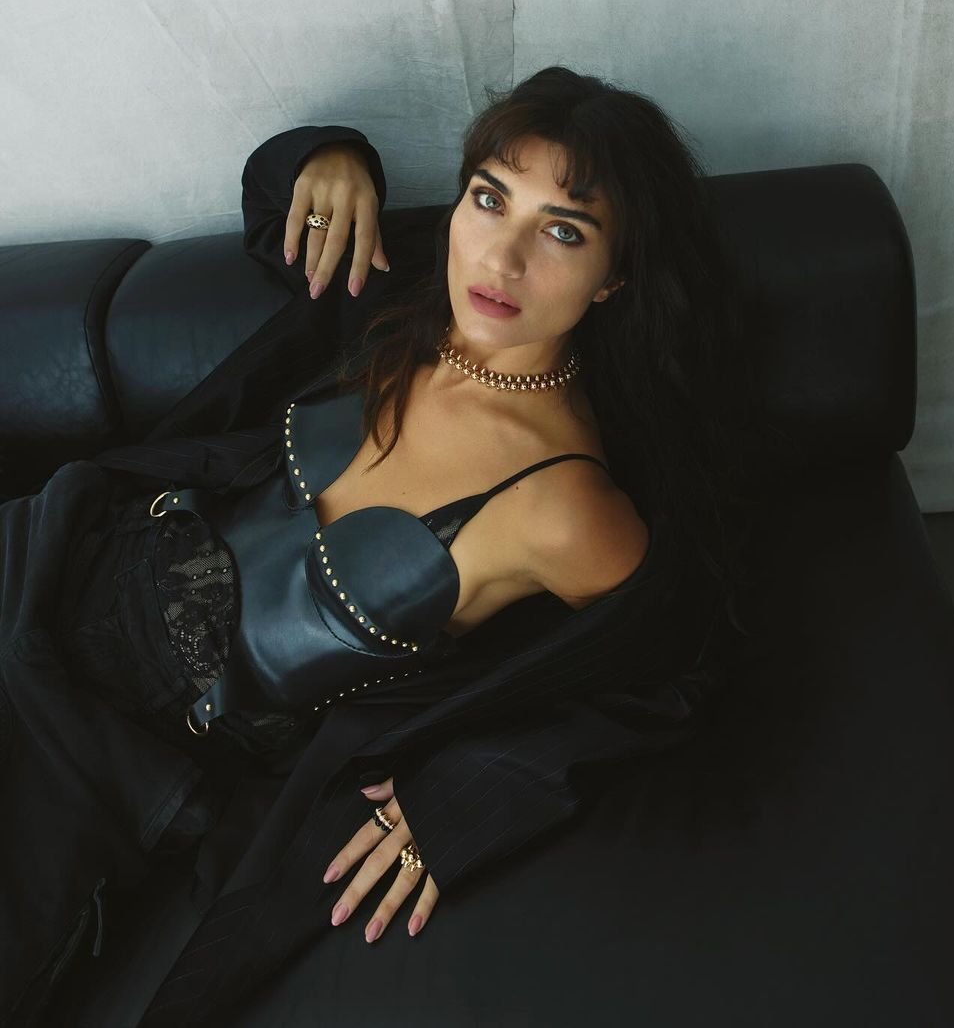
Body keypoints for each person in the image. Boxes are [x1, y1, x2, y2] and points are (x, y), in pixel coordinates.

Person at [0, 66, 760, 1026]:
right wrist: (329, 156)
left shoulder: (561, 505)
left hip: (102, 747)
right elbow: (277, 207)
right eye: (490, 199)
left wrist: (476, 795)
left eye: (564, 231)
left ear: (615, 277)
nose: (503, 257)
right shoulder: (399, 300)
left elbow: (680, 664)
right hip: (48, 554)